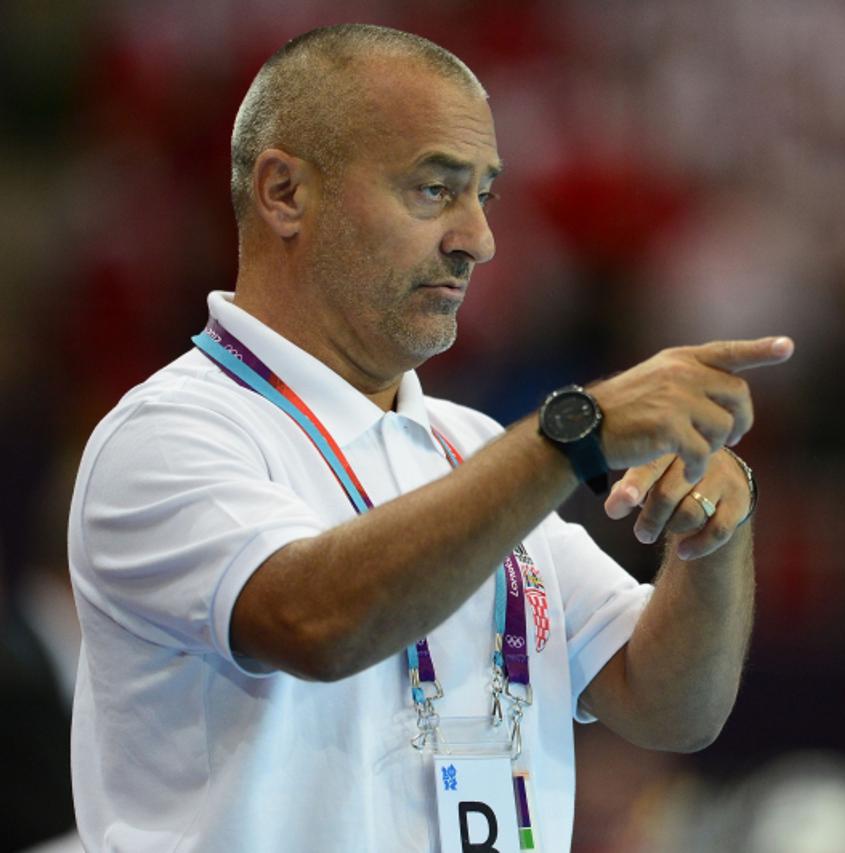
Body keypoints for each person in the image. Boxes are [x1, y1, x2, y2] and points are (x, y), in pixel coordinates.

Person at [67, 23, 793, 853]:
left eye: (484, 193)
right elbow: (315, 622)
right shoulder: (170, 435)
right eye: (433, 190)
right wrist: (566, 440)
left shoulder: (474, 446)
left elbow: (670, 705)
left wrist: (714, 535)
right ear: (284, 193)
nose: (477, 239)